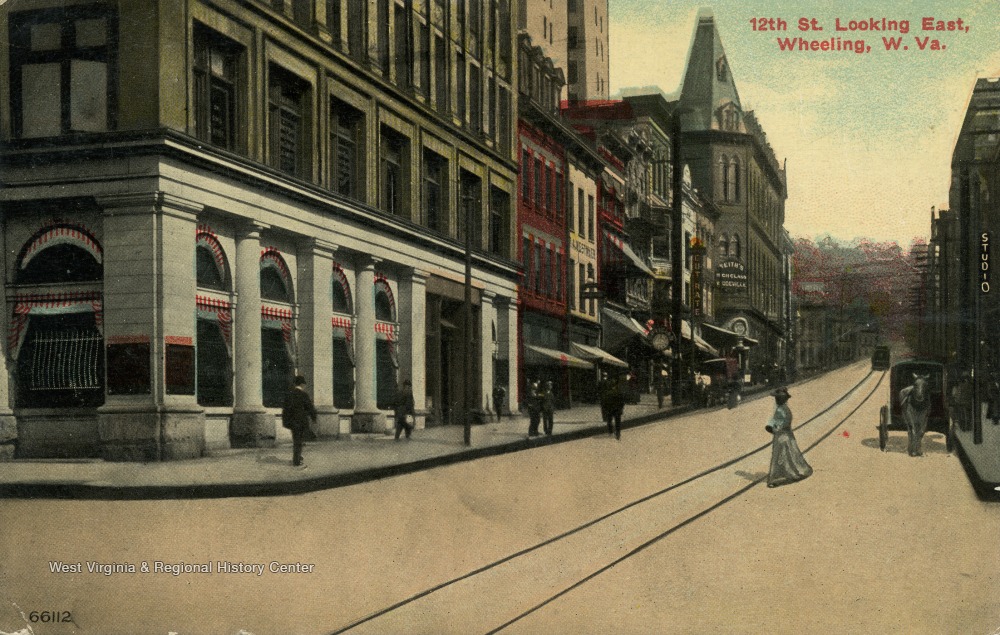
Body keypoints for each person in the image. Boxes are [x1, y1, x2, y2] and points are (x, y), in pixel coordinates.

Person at [765, 387, 812, 487]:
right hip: (788, 435)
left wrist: (772, 428)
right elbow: (783, 421)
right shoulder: (786, 409)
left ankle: (778, 477)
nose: (776, 400)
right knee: (789, 455)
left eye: (777, 398)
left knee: (780, 456)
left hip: (781, 436)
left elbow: (779, 423)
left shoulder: (780, 410)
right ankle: (791, 472)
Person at [282, 375, 317, 467]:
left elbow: (285, 410)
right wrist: (314, 418)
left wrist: (286, 422)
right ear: (302, 384)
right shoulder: (304, 395)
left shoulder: (289, 394)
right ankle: (296, 461)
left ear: (295, 384)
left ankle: (298, 457)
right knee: (299, 441)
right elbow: (310, 408)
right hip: (301, 422)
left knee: (296, 440)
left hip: (292, 422)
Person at [601, 373, 625, 440]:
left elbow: (605, 402)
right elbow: (622, 401)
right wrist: (621, 408)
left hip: (610, 409)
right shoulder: (619, 392)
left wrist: (605, 408)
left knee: (609, 420)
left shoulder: (607, 393)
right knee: (618, 421)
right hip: (617, 409)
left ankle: (610, 431)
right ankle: (618, 433)